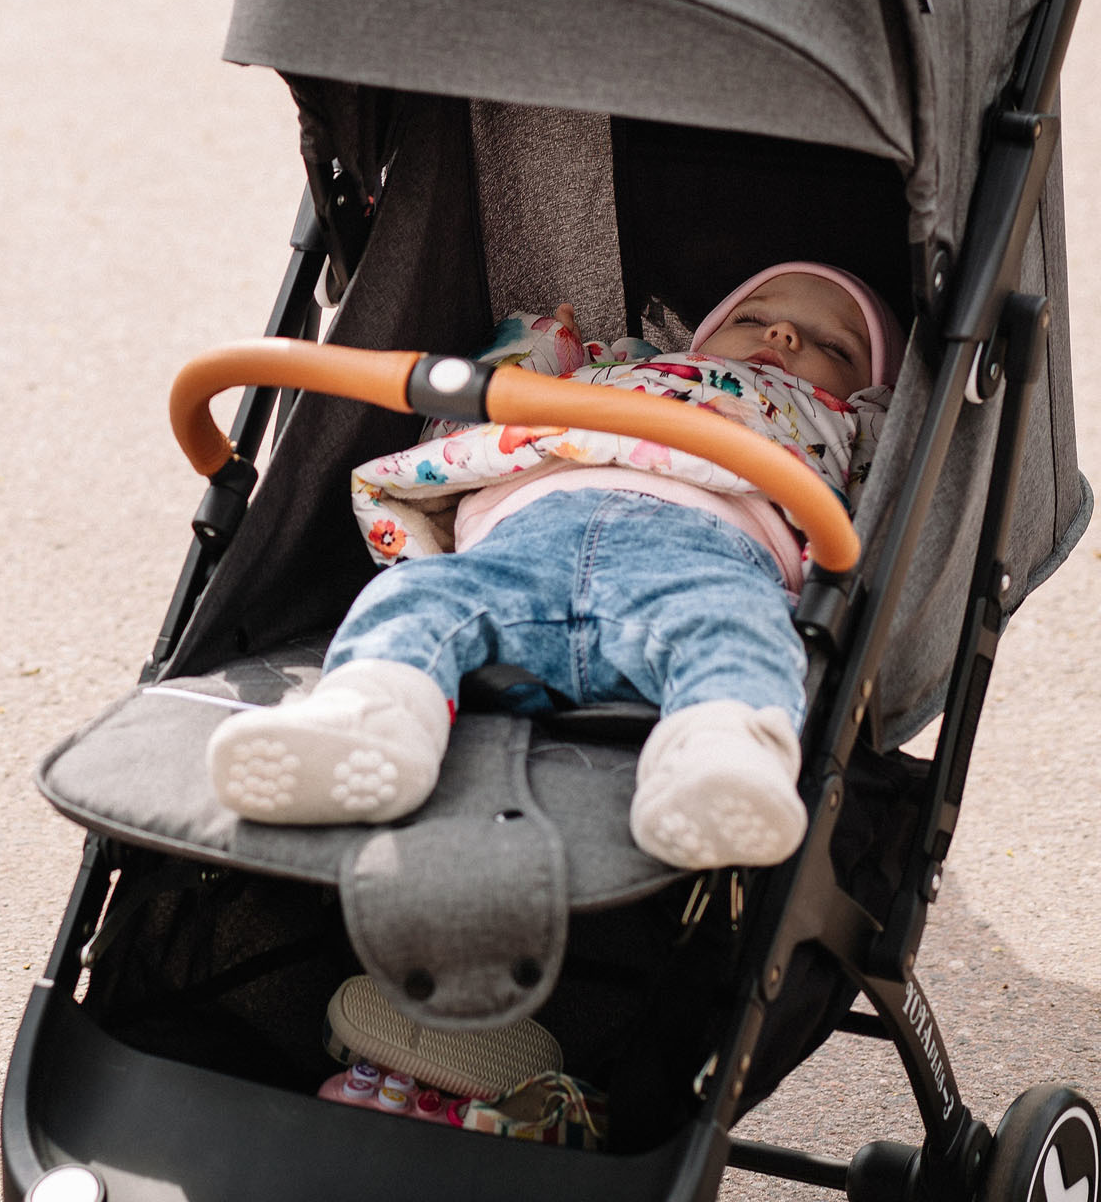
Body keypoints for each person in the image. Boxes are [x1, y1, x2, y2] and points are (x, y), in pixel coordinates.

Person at [207, 264, 900, 870]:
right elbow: (484, 397)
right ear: (700, 337)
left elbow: (886, 503)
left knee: (747, 630)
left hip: (709, 555)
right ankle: (367, 721)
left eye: (835, 345)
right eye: (753, 316)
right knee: (418, 597)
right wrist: (546, 345)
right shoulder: (618, 368)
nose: (783, 337)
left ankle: (716, 758)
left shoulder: (846, 426)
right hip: (527, 534)